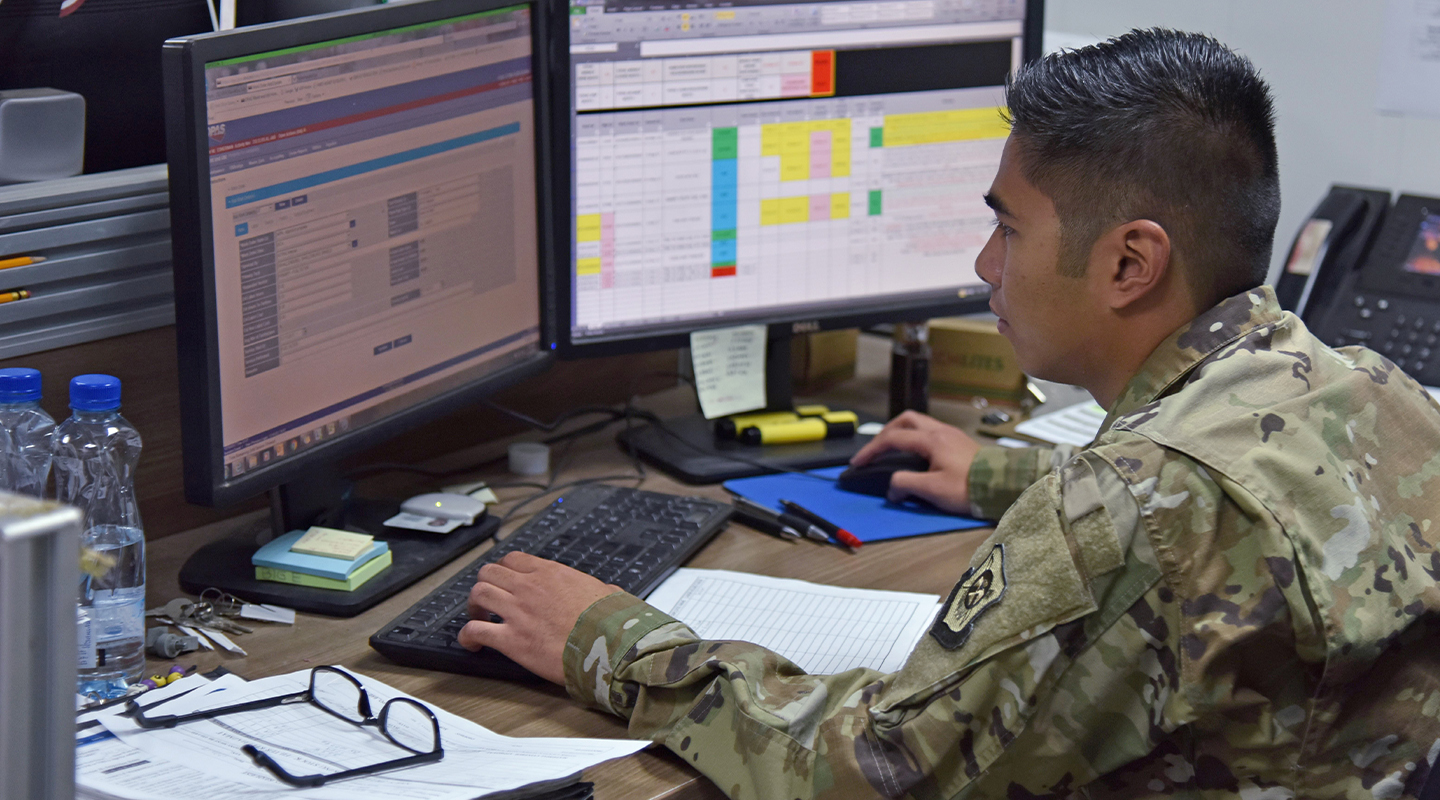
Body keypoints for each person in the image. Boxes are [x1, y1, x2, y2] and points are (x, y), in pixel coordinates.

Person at [459, 29, 1440, 799]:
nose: (982, 268)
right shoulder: (1369, 389)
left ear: (1129, 263)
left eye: (1007, 227)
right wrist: (1002, 472)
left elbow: (876, 769)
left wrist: (615, 642)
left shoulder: (1131, 508)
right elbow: (1235, 504)